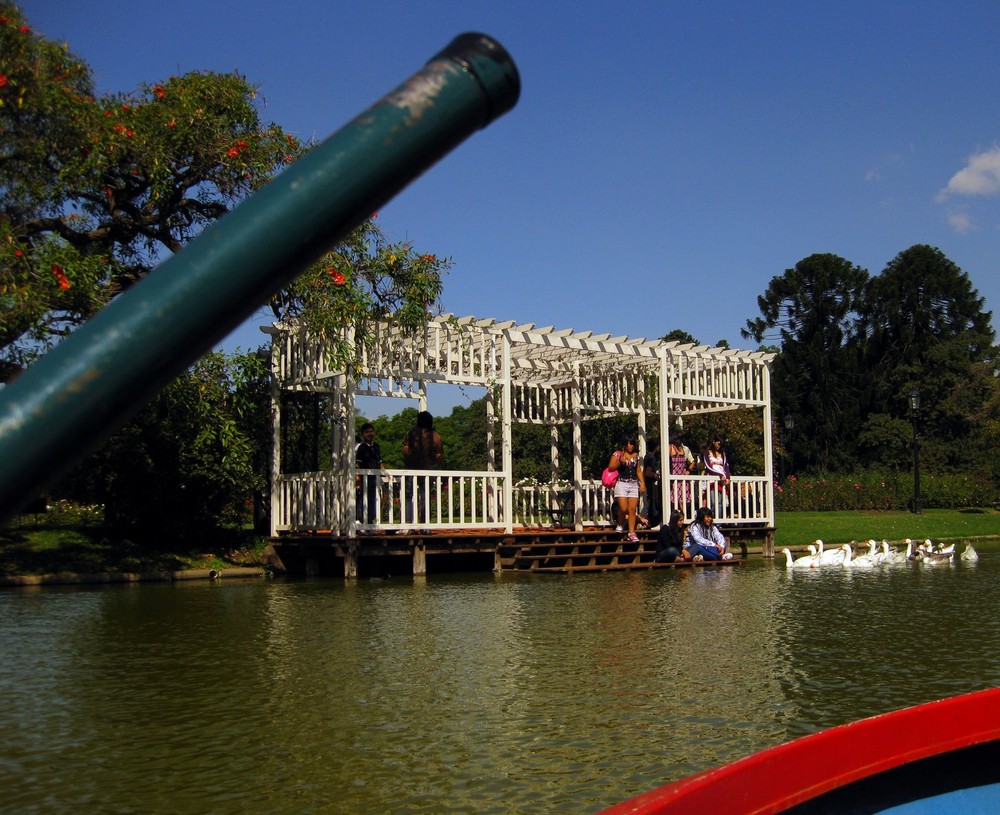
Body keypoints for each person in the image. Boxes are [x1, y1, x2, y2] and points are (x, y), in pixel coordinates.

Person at [402, 410, 443, 529]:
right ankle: (425, 526)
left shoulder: (412, 433)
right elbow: (439, 455)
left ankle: (409, 524)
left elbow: (405, 450)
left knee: (409, 496)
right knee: (425, 496)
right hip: (428, 470)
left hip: (412, 469)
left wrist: (410, 457)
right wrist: (431, 462)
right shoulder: (436, 436)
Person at [608, 435, 645, 541]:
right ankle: (620, 523)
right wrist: (620, 462)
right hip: (622, 483)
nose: (631, 446)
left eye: (633, 443)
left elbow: (638, 471)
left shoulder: (636, 456)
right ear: (625, 443)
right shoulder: (618, 454)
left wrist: (642, 483)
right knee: (623, 508)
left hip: (633, 484)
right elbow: (610, 467)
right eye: (629, 443)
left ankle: (631, 532)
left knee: (632, 509)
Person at [355, 422, 385, 530]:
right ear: (363, 434)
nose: (370, 434)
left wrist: (386, 474)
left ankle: (371, 523)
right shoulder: (362, 448)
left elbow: (379, 463)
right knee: (364, 499)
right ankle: (363, 522)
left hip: (374, 478)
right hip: (364, 478)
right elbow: (357, 464)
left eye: (371, 431)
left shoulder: (376, 446)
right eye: (367, 432)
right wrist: (357, 478)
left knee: (373, 500)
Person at [702, 435, 731, 518]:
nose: (719, 446)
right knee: (714, 502)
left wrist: (728, 477)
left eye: (720, 444)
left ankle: (720, 522)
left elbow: (726, 466)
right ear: (713, 442)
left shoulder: (723, 454)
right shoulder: (707, 453)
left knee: (721, 502)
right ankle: (714, 520)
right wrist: (719, 475)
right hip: (712, 481)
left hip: (722, 481)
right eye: (718, 443)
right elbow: (708, 466)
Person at [668, 431, 696, 513]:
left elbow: (693, 461)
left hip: (683, 478)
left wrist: (688, 471)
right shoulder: (670, 447)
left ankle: (683, 517)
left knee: (683, 500)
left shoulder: (684, 449)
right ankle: (679, 517)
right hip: (674, 477)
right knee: (675, 500)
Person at [642, 437, 662, 529]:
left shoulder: (648, 456)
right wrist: (656, 476)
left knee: (653, 501)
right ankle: (653, 522)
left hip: (650, 484)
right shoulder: (651, 458)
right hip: (652, 484)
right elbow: (648, 472)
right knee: (654, 502)